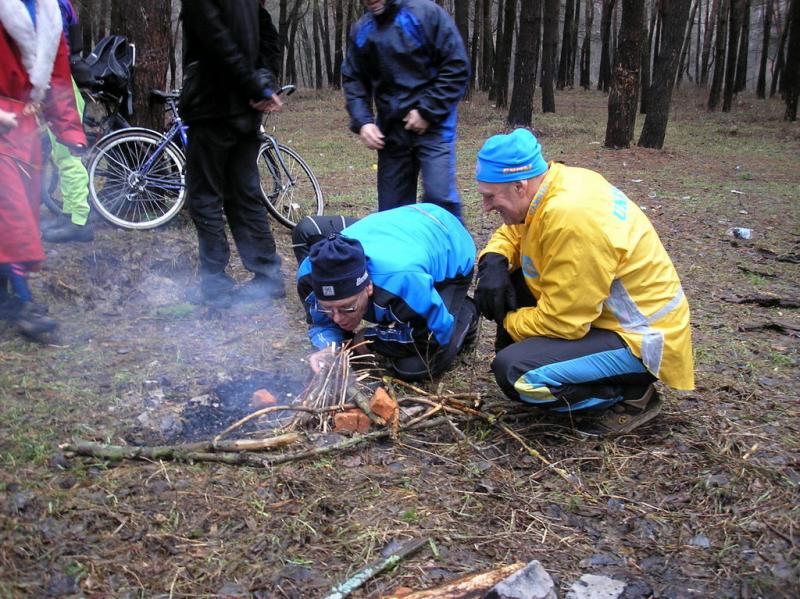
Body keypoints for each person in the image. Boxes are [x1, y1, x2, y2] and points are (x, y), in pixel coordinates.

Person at [474, 129, 694, 436]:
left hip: (639, 339)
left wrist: (509, 321)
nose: (485, 207)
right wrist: (493, 260)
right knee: (508, 279)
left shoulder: (571, 218)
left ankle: (629, 396)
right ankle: (569, 369)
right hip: (600, 317)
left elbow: (563, 323)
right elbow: (515, 230)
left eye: (490, 196)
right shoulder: (554, 184)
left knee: (516, 373)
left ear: (520, 185)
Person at [293, 204, 478, 382]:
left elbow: (433, 337)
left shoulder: (403, 281)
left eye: (346, 307)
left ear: (368, 287)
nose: (337, 319)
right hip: (394, 231)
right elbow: (321, 324)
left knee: (415, 366)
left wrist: (369, 338)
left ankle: (466, 312)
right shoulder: (309, 277)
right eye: (328, 308)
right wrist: (328, 347)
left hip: (449, 239)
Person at [180, 0, 285, 308]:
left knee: (205, 196)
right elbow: (268, 35)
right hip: (243, 109)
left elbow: (216, 40)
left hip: (213, 106)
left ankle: (216, 285)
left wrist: (259, 84)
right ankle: (267, 277)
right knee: (243, 194)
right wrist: (263, 83)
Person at [0, 0, 87, 338]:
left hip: (24, 135)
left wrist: (69, 130)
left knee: (17, 217)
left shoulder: (49, 11)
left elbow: (58, 75)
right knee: (13, 218)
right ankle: (26, 306)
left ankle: (6, 300)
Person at [342, 0, 469, 219]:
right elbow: (353, 79)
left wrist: (426, 111)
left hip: (435, 127)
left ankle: (455, 251)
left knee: (440, 201)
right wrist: (363, 121)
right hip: (391, 133)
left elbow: (456, 66)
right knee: (392, 213)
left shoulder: (424, 14)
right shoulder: (363, 30)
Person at [41, 0, 95, 243]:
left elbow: (53, 45)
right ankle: (71, 212)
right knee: (59, 153)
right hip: (59, 81)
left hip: (60, 83)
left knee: (67, 153)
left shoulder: (51, 4)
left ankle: (80, 222)